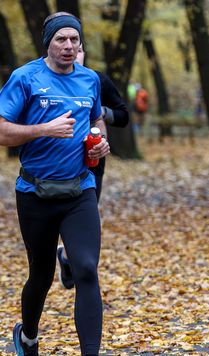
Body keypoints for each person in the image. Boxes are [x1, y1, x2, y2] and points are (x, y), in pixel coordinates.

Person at [0, 12, 118, 356]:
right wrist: (44, 128)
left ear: (80, 45)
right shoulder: (25, 78)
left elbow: (96, 121)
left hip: (80, 190)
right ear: (48, 42)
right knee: (42, 275)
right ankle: (27, 338)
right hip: (35, 194)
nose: (67, 46)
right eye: (61, 39)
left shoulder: (90, 79)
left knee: (85, 268)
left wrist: (100, 144)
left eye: (73, 40)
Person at [56, 44, 130, 289]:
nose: (73, 55)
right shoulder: (45, 80)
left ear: (84, 53)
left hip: (92, 159)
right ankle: (67, 258)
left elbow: (123, 115)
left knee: (84, 214)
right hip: (55, 160)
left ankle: (72, 261)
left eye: (78, 50)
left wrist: (96, 110)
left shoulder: (97, 80)